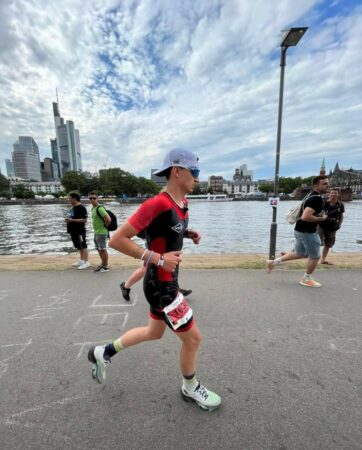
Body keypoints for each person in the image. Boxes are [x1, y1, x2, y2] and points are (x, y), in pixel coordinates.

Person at [88, 148, 221, 411]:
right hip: (162, 286)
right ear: (177, 171)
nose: (197, 178)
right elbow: (117, 239)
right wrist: (158, 259)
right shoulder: (157, 203)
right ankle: (190, 388)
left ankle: (104, 352)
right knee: (193, 340)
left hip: (165, 282)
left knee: (154, 332)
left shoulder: (181, 204)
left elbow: (161, 231)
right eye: (194, 172)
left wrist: (187, 233)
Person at [267, 176, 330, 287]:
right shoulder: (317, 199)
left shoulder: (310, 195)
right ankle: (306, 279)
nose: (327, 185)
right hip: (308, 232)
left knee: (300, 253)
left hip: (300, 230)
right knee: (315, 256)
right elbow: (305, 216)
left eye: (327, 183)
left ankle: (274, 262)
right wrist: (322, 218)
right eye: (324, 183)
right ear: (316, 185)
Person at [318, 188, 344, 265]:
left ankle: (322, 259)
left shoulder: (340, 205)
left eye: (335, 193)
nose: (333, 194)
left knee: (328, 244)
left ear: (338, 194)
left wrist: (339, 225)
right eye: (332, 193)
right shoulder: (324, 203)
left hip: (332, 227)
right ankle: (312, 257)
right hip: (321, 225)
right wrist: (316, 224)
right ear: (329, 194)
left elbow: (341, 216)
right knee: (316, 241)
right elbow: (318, 213)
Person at [65, 192, 90, 270]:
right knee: (79, 246)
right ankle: (82, 260)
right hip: (73, 230)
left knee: (83, 245)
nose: (68, 200)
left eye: (69, 198)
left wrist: (72, 220)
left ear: (74, 198)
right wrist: (68, 220)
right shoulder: (72, 208)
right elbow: (70, 217)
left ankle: (86, 262)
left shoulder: (81, 207)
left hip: (79, 231)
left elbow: (84, 220)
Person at [89, 191, 111, 272]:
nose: (92, 200)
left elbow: (108, 219)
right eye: (90, 198)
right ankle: (103, 263)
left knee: (102, 249)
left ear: (97, 198)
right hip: (96, 232)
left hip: (101, 232)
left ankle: (105, 267)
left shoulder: (100, 208)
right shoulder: (93, 209)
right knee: (99, 249)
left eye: (94, 198)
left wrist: (105, 227)